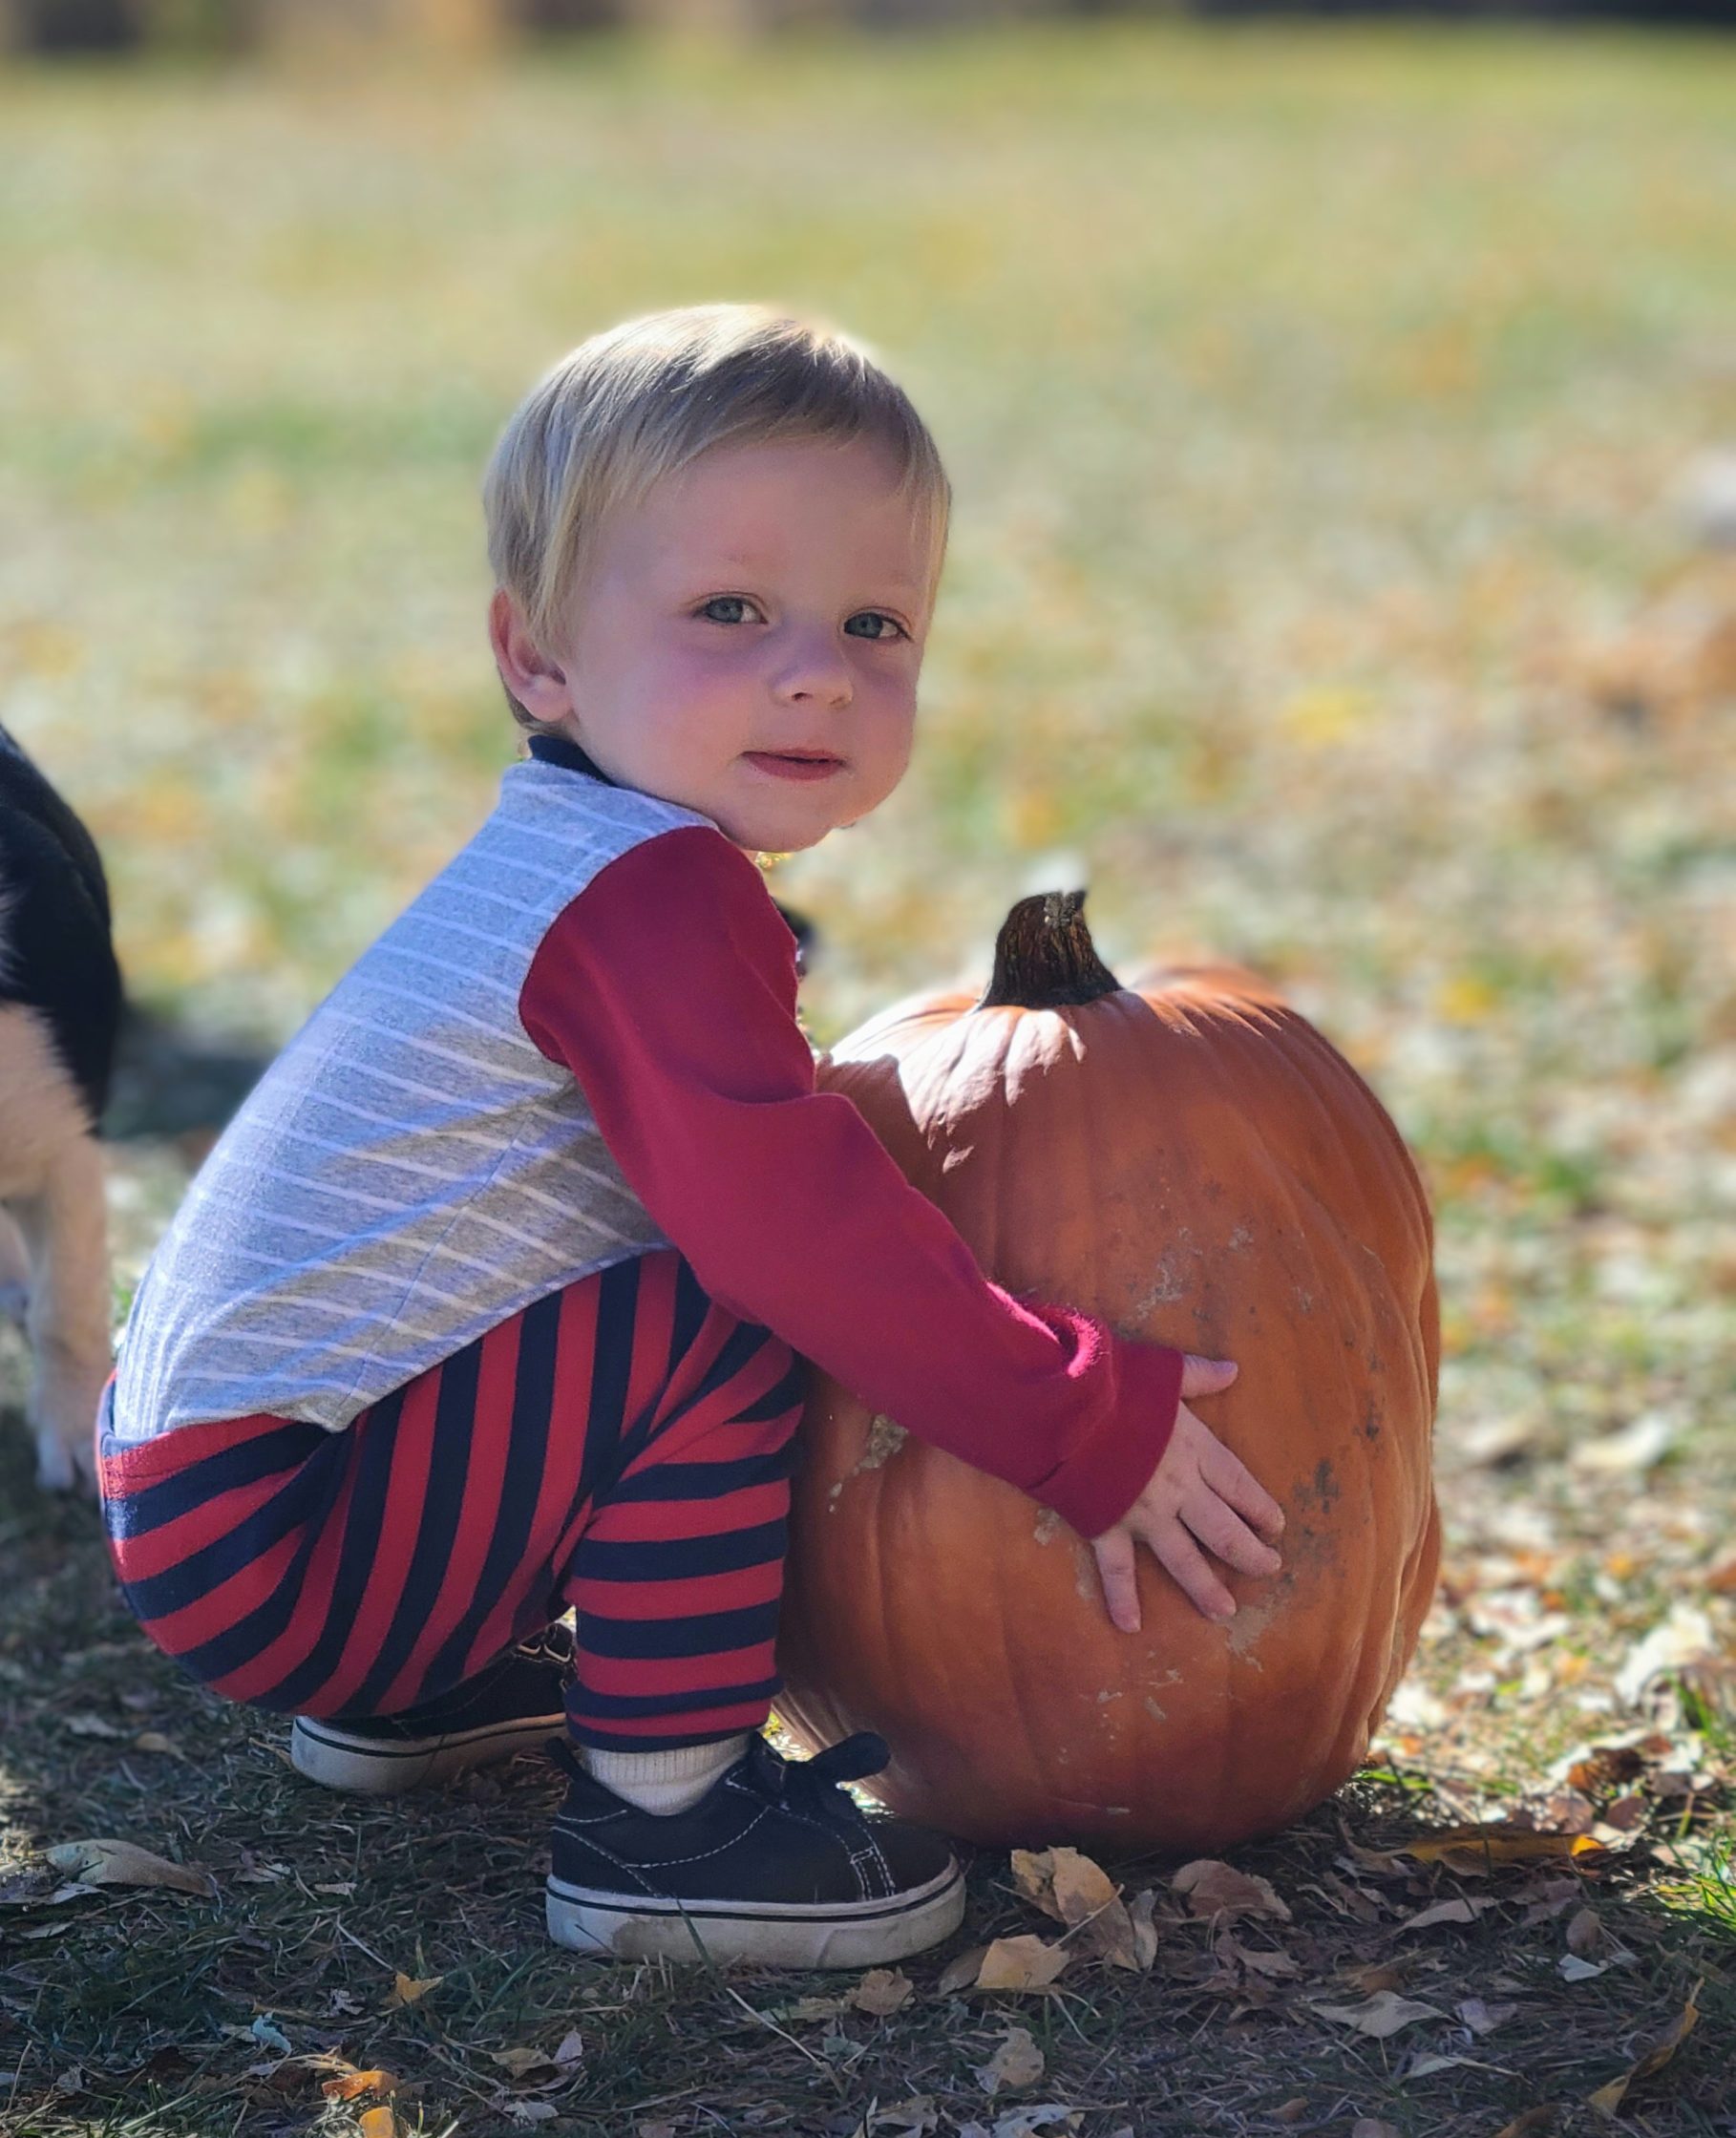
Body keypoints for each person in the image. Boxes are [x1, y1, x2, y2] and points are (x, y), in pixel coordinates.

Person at [95, 303, 1285, 1970]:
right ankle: (666, 1821)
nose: (817, 667)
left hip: (240, 1492)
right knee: (736, 1293)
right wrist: (1072, 1417)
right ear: (539, 658)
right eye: (729, 608)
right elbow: (793, 1228)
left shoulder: (570, 855)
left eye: (876, 622)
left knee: (673, 1267)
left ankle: (416, 1692)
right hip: (282, 1527)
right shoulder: (642, 897)